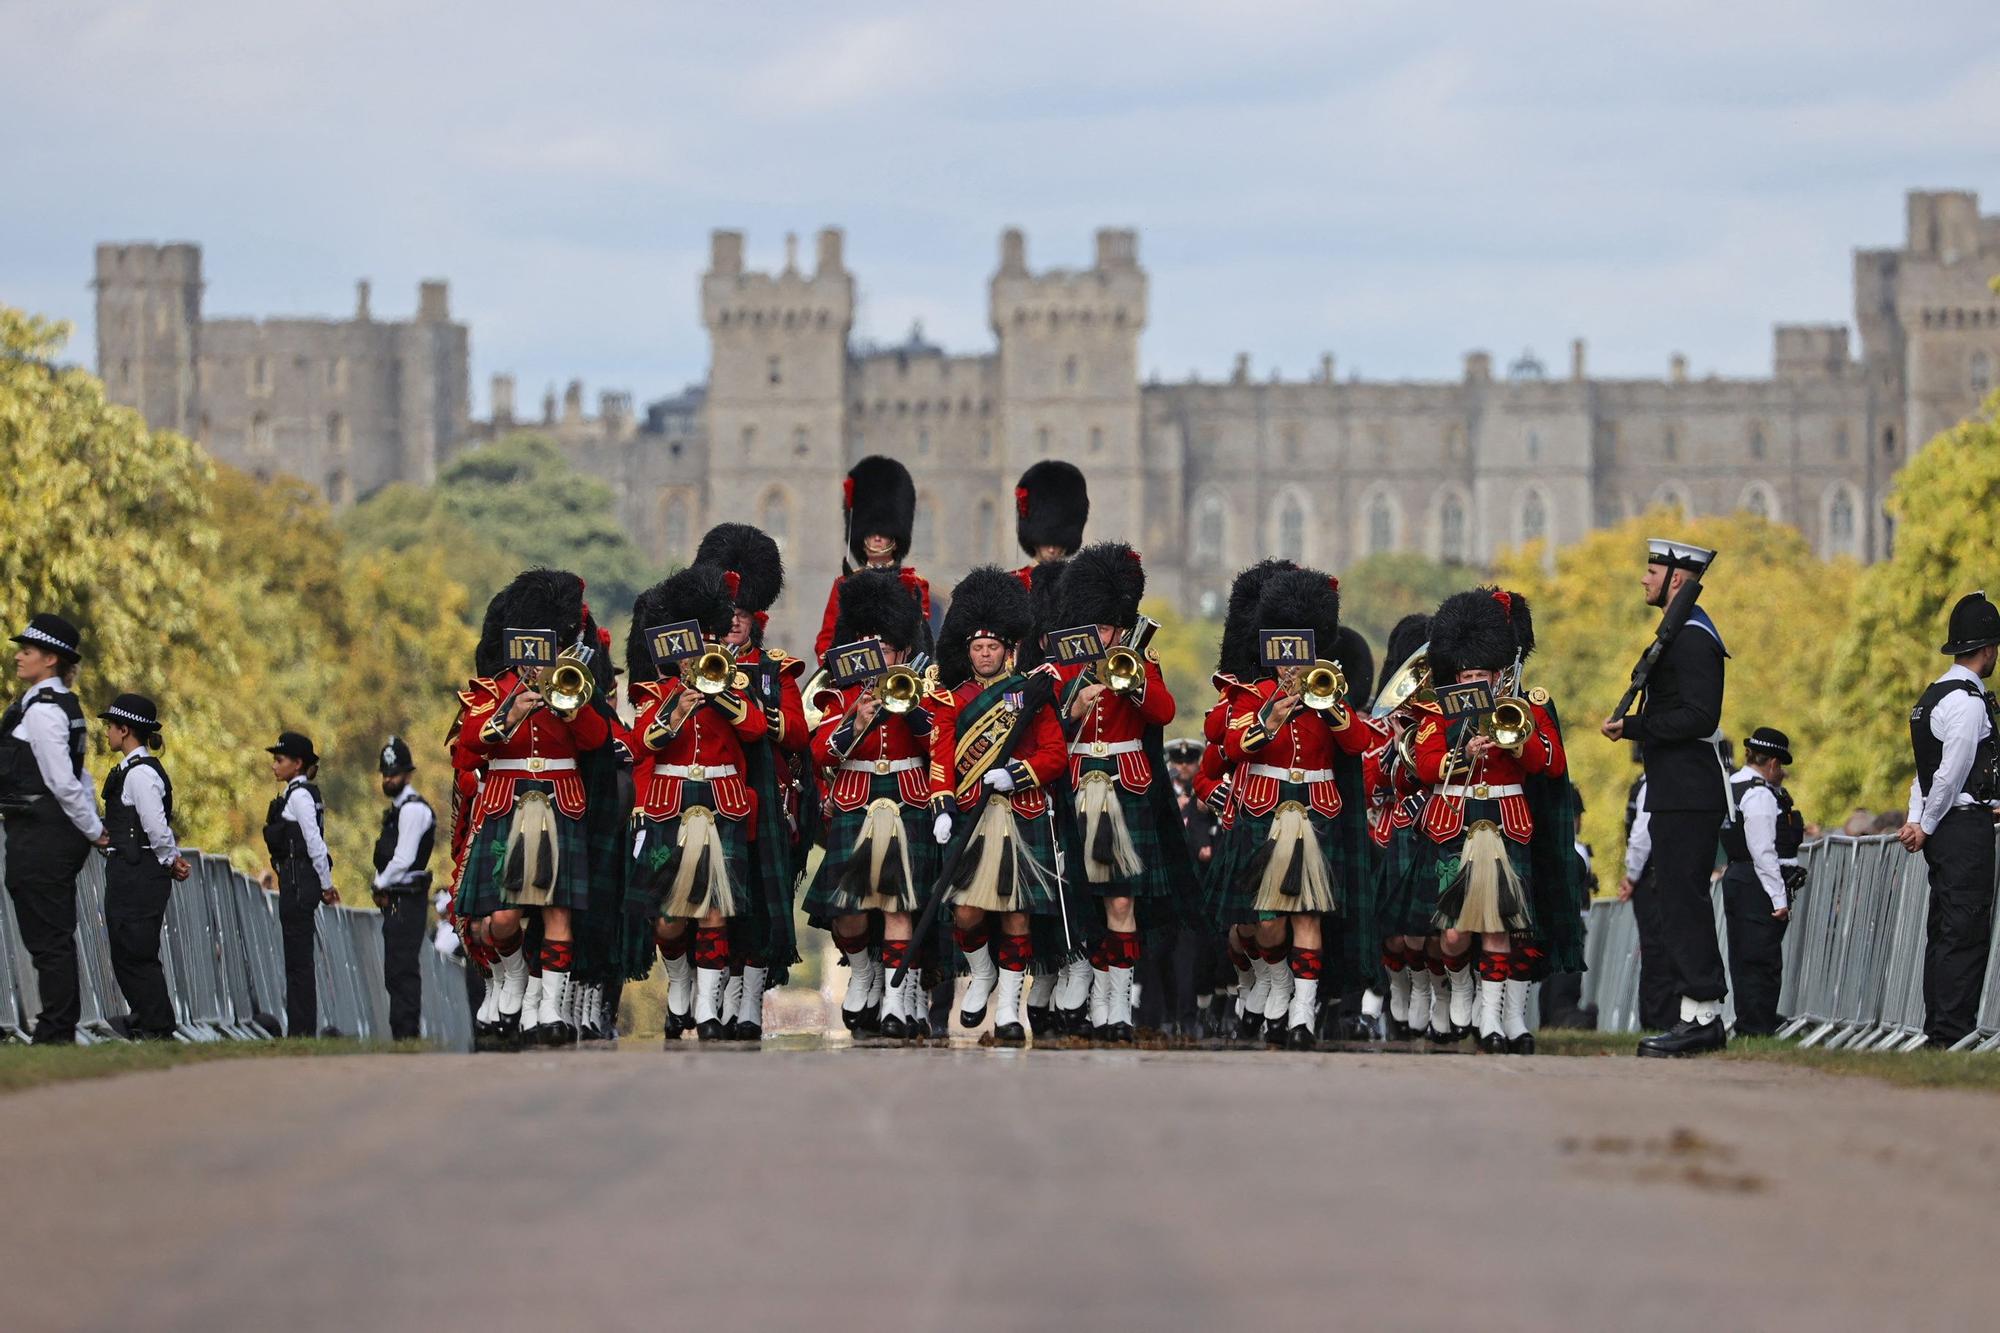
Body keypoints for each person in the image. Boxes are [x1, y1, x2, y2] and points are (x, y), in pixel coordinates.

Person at [1212, 568, 1386, 1049]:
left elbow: (1357, 743)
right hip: (1267, 810)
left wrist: (1328, 706)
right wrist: (1270, 718)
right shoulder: (1255, 696)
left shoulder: (1328, 692)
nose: (1291, 670)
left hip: (1316, 810)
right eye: (1284, 661)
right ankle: (1278, 982)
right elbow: (1230, 746)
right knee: (1267, 921)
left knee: (1308, 915)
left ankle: (1303, 1015)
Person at [453, 569, 611, 1048]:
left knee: (559, 912)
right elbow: (467, 748)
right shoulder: (493, 690)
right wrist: (511, 712)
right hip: (509, 799)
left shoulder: (570, 685)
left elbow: (596, 740)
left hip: (561, 798)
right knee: (502, 918)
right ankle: (518, 979)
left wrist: (568, 706)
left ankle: (549, 1009)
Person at [1410, 588, 1567, 1054]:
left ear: (1497, 672)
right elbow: (1424, 765)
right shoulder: (1438, 712)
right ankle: (1461, 989)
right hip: (1455, 820)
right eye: (1466, 674)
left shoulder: (1527, 706)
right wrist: (1463, 754)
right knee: (1455, 934)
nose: (1474, 679)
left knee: (1501, 926)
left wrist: (1514, 742)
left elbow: (1552, 764)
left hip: (1504, 817)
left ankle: (1493, 1019)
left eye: (1481, 673)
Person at [802, 568, 954, 1039]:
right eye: (871, 650)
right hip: (857, 798)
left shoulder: (923, 690)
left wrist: (913, 713)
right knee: (848, 909)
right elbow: (820, 751)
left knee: (898, 905)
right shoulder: (844, 691)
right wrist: (854, 719)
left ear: (903, 651)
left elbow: (941, 747)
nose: (879, 659)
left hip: (906, 797)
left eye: (886, 650)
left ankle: (895, 996)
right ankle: (864, 970)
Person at [1053, 541, 1195, 1043]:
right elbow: (1046, 721)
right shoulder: (1065, 664)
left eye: (1109, 626)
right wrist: (1076, 703)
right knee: (1086, 900)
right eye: (1096, 626)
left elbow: (1163, 711)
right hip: (1078, 784)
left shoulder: (1139, 660)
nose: (1102, 635)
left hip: (1125, 785)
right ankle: (1095, 998)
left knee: (1120, 903)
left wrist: (1130, 683)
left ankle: (1118, 1002)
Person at [627, 564, 770, 1041]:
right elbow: (641, 744)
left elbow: (753, 729)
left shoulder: (732, 684)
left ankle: (707, 1010)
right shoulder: (659, 692)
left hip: (720, 801)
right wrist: (679, 703)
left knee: (715, 910)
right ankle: (681, 983)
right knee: (669, 920)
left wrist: (720, 692)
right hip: (671, 802)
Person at [1601, 538, 1731, 1058]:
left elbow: (1702, 717)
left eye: (1652, 570)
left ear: (1678, 579)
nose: (1644, 579)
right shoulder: (1682, 634)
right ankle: (1694, 1014)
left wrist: (1636, 725)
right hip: (1678, 791)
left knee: (1684, 904)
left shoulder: (1695, 638)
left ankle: (1703, 1015)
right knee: (1676, 905)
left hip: (1688, 793)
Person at [932, 566, 1070, 1044]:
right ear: (968, 652)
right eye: (977, 648)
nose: (985, 654)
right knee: (966, 913)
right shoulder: (952, 700)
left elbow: (1055, 753)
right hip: (971, 815)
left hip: (1020, 811)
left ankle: (1010, 1008)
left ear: (1008, 650)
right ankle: (983, 973)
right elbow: (941, 758)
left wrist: (1016, 773)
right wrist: (943, 807)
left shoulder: (1030, 693)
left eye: (992, 648)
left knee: (1017, 915)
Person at [692, 521, 808, 1041]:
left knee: (756, 905)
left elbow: (796, 735)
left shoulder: (773, 670)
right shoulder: (694, 666)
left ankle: (747, 1003)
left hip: (763, 802)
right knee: (713, 905)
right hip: (710, 796)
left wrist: (752, 705)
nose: (735, 621)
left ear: (755, 619)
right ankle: (711, 1002)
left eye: (742, 614)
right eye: (728, 614)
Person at [1898, 591, 2000, 1048]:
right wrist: (1928, 823)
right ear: (1987, 650)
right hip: (1962, 831)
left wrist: (1918, 819)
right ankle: (1952, 1034)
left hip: (1945, 829)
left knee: (1943, 931)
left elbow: (1923, 775)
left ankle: (1939, 1029)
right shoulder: (1968, 702)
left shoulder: (1933, 695)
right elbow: (1951, 771)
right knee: (1965, 932)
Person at [0, 614, 106, 1044]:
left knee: (48, 936)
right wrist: (90, 826)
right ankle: (57, 1025)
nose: (20, 656)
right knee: (51, 933)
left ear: (50, 659)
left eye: (28, 650)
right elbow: (80, 777)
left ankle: (56, 1029)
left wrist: (94, 830)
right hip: (47, 829)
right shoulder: (58, 705)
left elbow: (63, 781)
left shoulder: (43, 711)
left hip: (43, 831)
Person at [98, 694, 191, 1040]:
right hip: (129, 871)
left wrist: (170, 860)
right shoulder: (132, 771)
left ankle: (157, 1025)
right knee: (126, 949)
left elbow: (154, 824)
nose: (107, 733)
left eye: (110, 726)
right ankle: (146, 1020)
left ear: (125, 730)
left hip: (140, 873)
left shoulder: (140, 775)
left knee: (136, 949)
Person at [1722, 727, 1803, 1037]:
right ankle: (1756, 1026)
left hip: (1741, 878)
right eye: (1780, 766)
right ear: (1771, 764)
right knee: (1761, 960)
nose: (1780, 773)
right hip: (1758, 882)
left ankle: (1753, 1022)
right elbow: (1763, 850)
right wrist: (1779, 898)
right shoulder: (1758, 793)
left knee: (1746, 957)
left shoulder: (1733, 786)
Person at [813, 455, 933, 663]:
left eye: (883, 532)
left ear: (895, 539)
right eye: (871, 532)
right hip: (854, 674)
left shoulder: (913, 583)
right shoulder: (844, 584)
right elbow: (827, 638)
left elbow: (920, 636)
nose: (877, 537)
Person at [265, 730, 337, 1038]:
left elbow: (314, 843)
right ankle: (301, 1027)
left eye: (279, 760)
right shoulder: (303, 794)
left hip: (297, 883)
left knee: (299, 964)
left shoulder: (299, 796)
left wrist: (326, 884)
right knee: (298, 961)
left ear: (297, 764)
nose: (274, 766)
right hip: (297, 882)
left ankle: (302, 1030)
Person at [372, 735, 436, 1042]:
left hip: (407, 897)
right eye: (385, 775)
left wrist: (379, 882)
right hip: (395, 899)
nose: (389, 780)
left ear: (408, 774)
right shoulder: (398, 810)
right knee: (394, 969)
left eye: (394, 774)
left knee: (403, 968)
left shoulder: (412, 809)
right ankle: (401, 1032)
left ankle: (407, 1033)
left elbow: (404, 859)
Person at [1618, 745, 1681, 1031]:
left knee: (1656, 951)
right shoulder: (1656, 783)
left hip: (1650, 879)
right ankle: (1659, 1020)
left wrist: (1631, 874)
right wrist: (1632, 875)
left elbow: (1639, 835)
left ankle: (1658, 1019)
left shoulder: (1645, 783)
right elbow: (1643, 835)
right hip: (1655, 878)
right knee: (1659, 951)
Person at [1011, 460, 1089, 587]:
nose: (1052, 549)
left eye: (1058, 542)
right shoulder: (1013, 584)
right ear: (1034, 539)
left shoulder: (1079, 585)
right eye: (1046, 542)